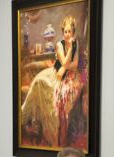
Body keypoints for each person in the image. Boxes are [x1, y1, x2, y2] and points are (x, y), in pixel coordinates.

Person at [20, 16, 84, 148]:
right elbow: (66, 62)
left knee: (62, 96)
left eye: (70, 32)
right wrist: (68, 55)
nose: (67, 34)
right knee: (39, 81)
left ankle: (60, 136)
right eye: (65, 32)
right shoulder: (59, 45)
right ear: (63, 32)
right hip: (56, 73)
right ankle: (30, 120)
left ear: (73, 32)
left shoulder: (76, 43)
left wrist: (65, 65)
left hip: (70, 76)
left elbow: (75, 64)